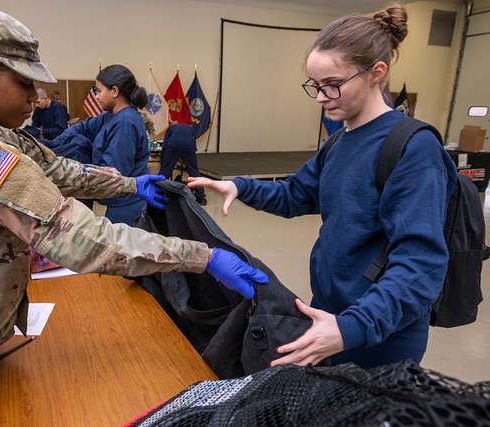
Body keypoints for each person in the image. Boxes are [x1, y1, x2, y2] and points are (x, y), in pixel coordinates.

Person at [0, 5, 269, 426]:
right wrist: (203, 257)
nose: (37, 98)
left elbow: (61, 170)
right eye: (24, 83)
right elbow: (82, 238)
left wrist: (130, 184)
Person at [189, 4, 458, 369]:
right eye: (315, 85)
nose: (320, 97)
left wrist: (350, 328)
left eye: (332, 85)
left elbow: (420, 267)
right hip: (329, 318)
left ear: (376, 73)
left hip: (378, 336)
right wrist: (242, 187)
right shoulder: (339, 141)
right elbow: (296, 194)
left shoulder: (413, 148)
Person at [45, 65, 152, 226]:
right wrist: (53, 146)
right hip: (118, 200)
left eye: (98, 91)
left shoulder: (125, 122)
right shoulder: (110, 116)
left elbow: (114, 172)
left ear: (114, 91)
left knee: (119, 249)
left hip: (127, 204)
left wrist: (79, 168)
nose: (96, 96)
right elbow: (82, 127)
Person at [160, 120, 207, 205]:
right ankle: (201, 198)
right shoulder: (190, 128)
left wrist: (164, 160)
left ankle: (158, 193)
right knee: (194, 171)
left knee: (165, 170)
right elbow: (192, 140)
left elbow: (165, 144)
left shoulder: (171, 128)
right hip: (189, 147)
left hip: (173, 145)